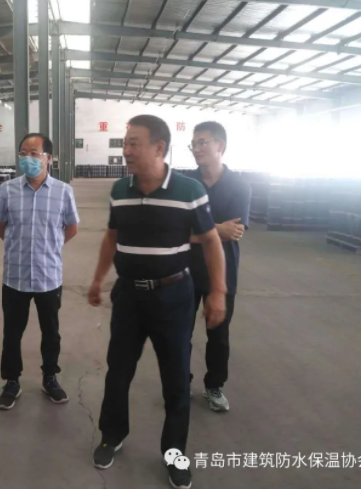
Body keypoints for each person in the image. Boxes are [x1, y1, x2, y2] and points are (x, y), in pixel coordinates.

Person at [87, 115, 227, 489]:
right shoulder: (120, 189)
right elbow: (112, 236)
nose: (126, 151)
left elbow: (211, 241)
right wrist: (98, 278)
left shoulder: (189, 190)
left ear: (159, 148)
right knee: (118, 371)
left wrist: (217, 292)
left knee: (176, 379)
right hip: (128, 297)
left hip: (173, 297)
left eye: (134, 143)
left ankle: (174, 453)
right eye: (124, 143)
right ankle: (112, 435)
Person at [0, 133, 79, 410]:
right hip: (14, 276)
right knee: (12, 332)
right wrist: (20, 246)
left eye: (33, 153)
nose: (27, 158)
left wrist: (49, 248)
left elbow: (72, 228)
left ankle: (50, 377)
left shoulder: (63, 191)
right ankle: (12, 381)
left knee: (50, 332)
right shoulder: (7, 190)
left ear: (47, 158)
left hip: (48, 276)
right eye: (23, 153)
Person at [188, 121, 252, 413]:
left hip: (222, 274)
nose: (197, 148)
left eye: (203, 142)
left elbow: (234, 232)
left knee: (218, 334)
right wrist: (217, 229)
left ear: (220, 145)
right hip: (185, 271)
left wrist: (199, 231)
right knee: (179, 332)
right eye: (194, 144)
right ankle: (180, 381)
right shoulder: (185, 184)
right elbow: (175, 228)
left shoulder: (239, 186)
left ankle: (214, 386)